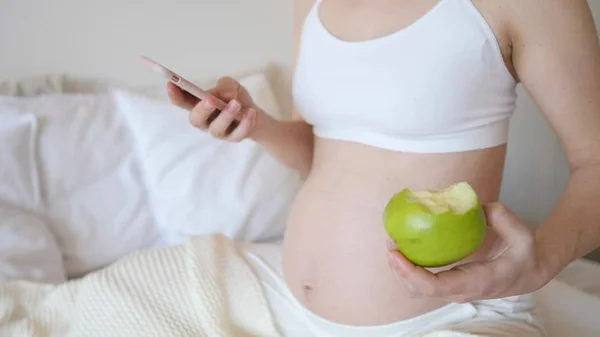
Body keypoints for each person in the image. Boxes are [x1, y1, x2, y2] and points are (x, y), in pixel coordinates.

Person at [165, 0, 600, 335]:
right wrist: (255, 125)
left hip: (447, 318)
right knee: (108, 297)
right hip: (281, 302)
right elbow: (321, 155)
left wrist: (541, 262)